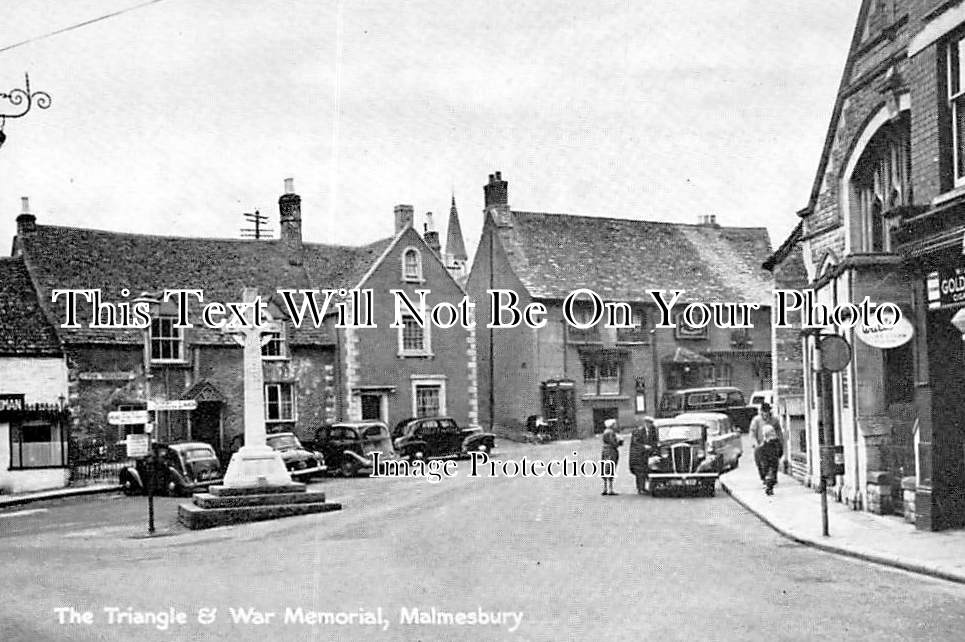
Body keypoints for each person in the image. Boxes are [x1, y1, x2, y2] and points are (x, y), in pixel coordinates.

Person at [750, 402, 784, 495]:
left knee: (773, 463)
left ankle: (772, 479)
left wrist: (780, 444)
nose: (765, 414)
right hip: (760, 446)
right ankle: (764, 478)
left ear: (770, 412)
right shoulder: (756, 421)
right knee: (761, 464)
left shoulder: (774, 420)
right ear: (761, 412)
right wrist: (755, 444)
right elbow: (752, 434)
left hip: (772, 445)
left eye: (767, 412)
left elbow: (779, 433)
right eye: (764, 412)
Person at [628, 417, 656, 495]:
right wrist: (644, 447)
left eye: (651, 423)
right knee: (639, 472)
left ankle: (644, 488)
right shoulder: (638, 431)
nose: (650, 425)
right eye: (648, 423)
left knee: (645, 471)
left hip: (647, 455)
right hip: (638, 455)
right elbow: (635, 443)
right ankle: (640, 489)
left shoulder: (652, 431)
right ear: (645, 423)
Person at [600, 418, 623, 496]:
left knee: (605, 468)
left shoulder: (605, 431)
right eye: (615, 424)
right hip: (611, 451)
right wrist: (619, 441)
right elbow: (614, 443)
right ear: (612, 425)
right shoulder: (611, 432)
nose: (616, 425)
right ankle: (610, 489)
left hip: (605, 450)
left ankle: (605, 488)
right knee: (610, 468)